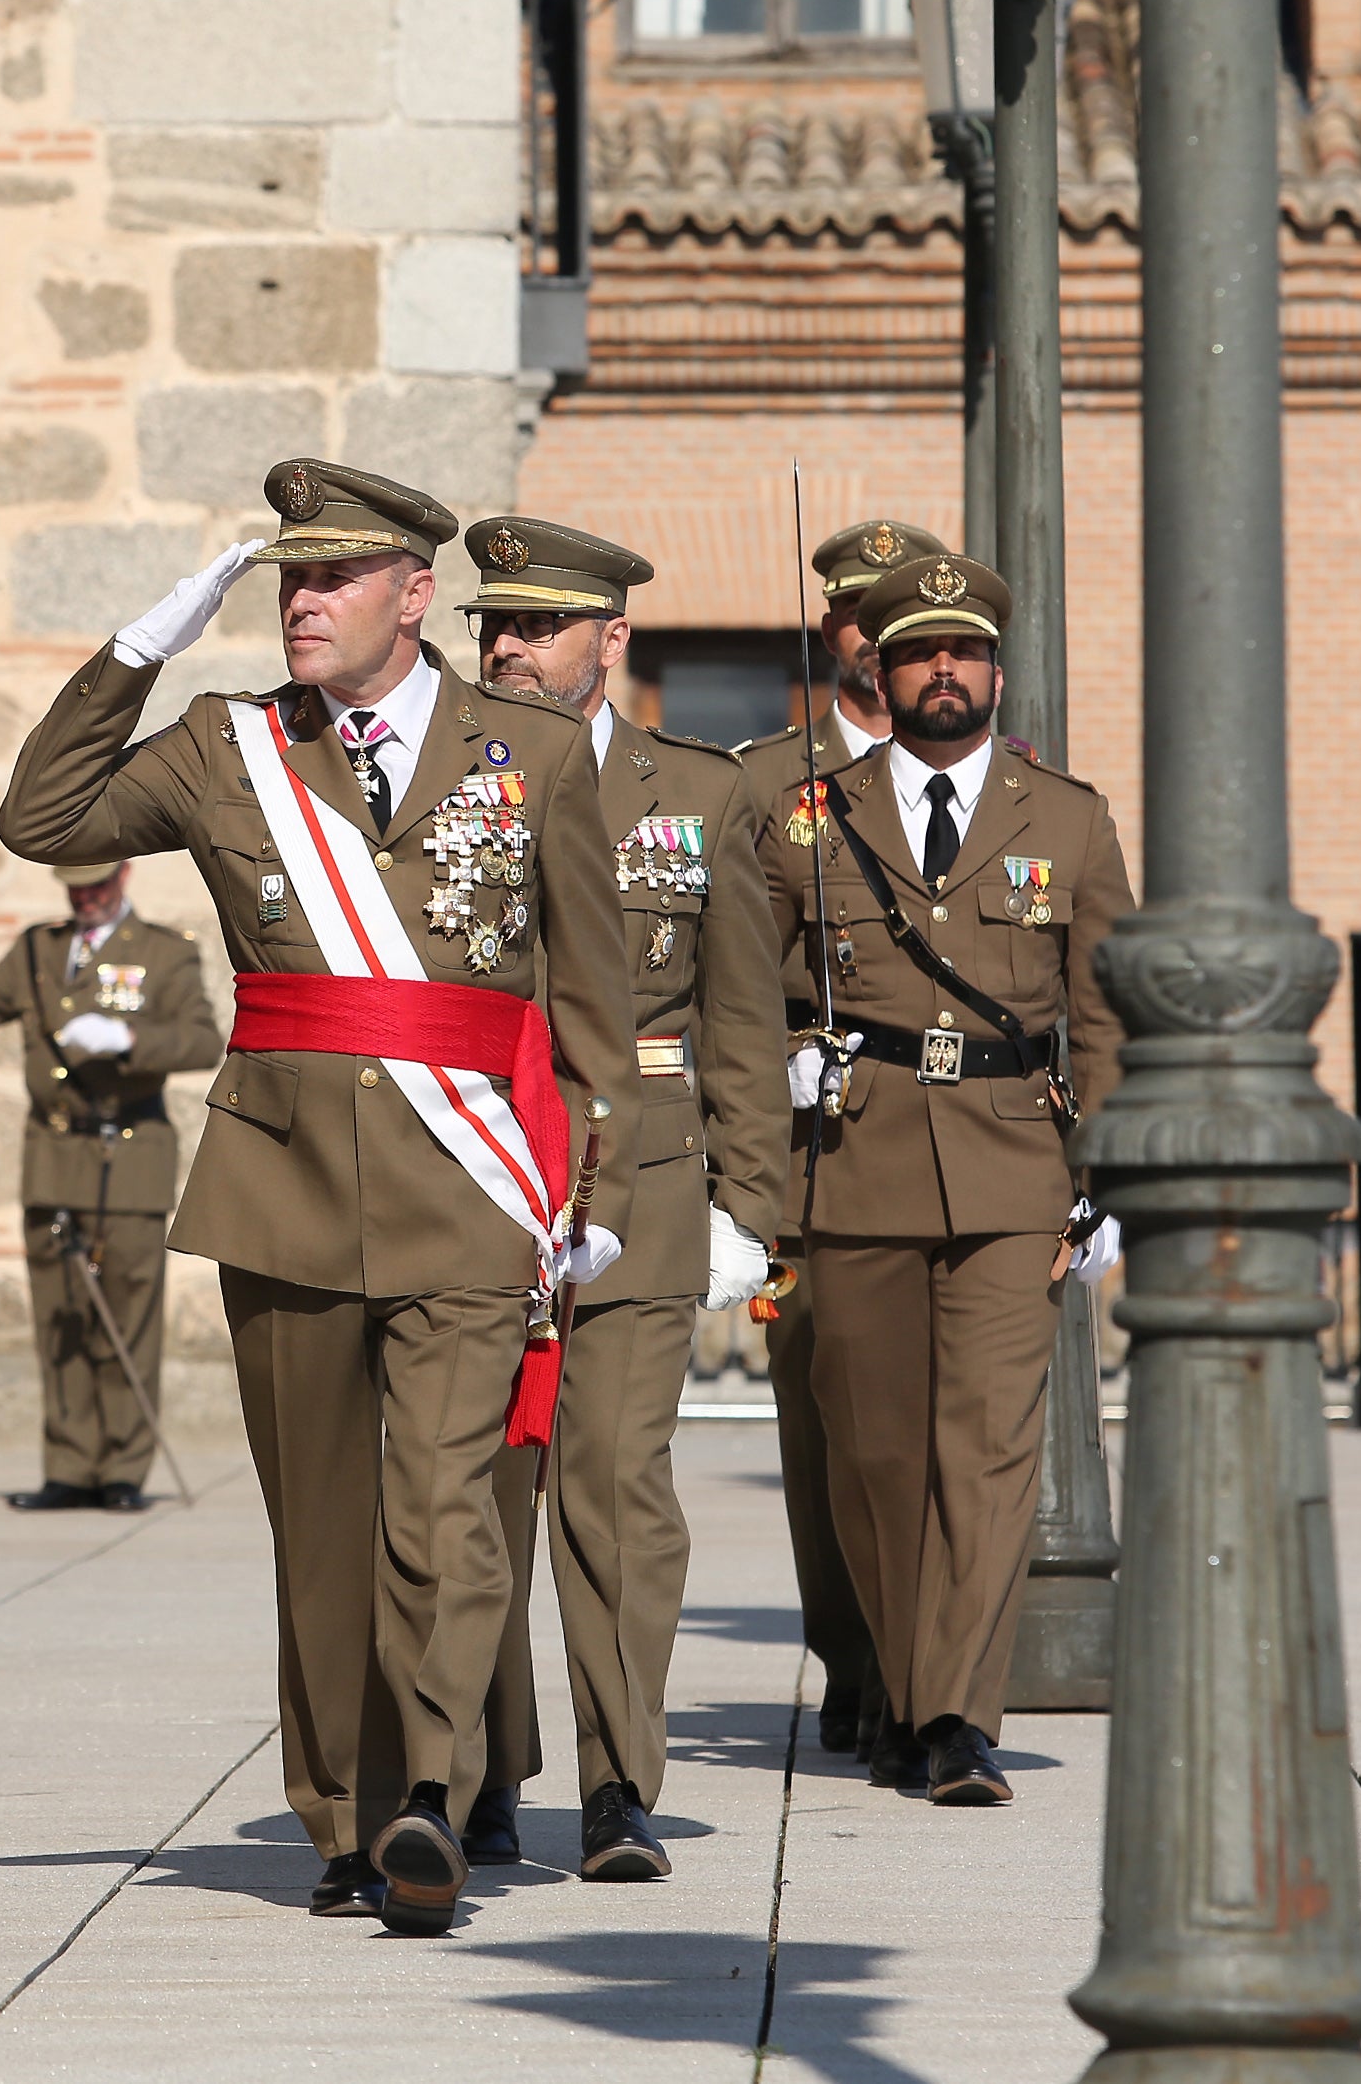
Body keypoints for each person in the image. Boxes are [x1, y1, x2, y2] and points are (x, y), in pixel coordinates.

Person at [0, 458, 638, 1938]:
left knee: (446, 1505)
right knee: (325, 1521)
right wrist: (138, 648)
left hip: (473, 1187)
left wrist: (585, 1187)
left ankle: (431, 1788)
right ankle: (343, 1820)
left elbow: (594, 1005)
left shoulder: (531, 751)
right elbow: (46, 819)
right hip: (284, 1184)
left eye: (334, 578)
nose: (303, 601)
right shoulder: (229, 748)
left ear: (415, 596)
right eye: (289, 578)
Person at [753, 552, 1130, 1807]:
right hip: (853, 1164)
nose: (944, 671)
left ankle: (958, 1716)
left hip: (1015, 1163)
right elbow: (746, 991)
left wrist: (1109, 1170)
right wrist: (777, 1090)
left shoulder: (1064, 816)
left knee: (986, 1449)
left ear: (993, 670)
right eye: (919, 653)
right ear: (883, 669)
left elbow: (1108, 1016)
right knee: (873, 1456)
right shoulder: (809, 812)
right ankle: (909, 1688)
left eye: (965, 652)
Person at [450, 517, 791, 1880]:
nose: (511, 649)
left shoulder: (697, 796)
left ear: (612, 640)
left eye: (538, 626)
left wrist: (746, 1203)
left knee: (612, 1482)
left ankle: (618, 1784)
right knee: (476, 1484)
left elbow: (747, 1017)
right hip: (478, 1166)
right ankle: (475, 1773)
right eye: (494, 625)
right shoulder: (444, 782)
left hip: (642, 1178)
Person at [733, 515, 944, 1760]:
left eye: (900, 616)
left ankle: (930, 1662)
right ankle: (854, 1652)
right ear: (836, 635)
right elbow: (724, 975)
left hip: (950, 1144)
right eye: (860, 615)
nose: (877, 636)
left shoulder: (985, 766)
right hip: (813, 1157)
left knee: (941, 1423)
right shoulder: (767, 782)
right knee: (825, 1425)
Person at [0, 859, 220, 1512]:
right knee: (62, 1317)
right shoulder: (39, 949)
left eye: (99, 884)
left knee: (127, 1316)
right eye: (77, 888)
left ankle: (123, 1468)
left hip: (128, 1153)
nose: (88, 898)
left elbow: (201, 1040)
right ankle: (70, 1465)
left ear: (124, 875)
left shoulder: (164, 951)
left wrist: (127, 1037)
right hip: (54, 1154)